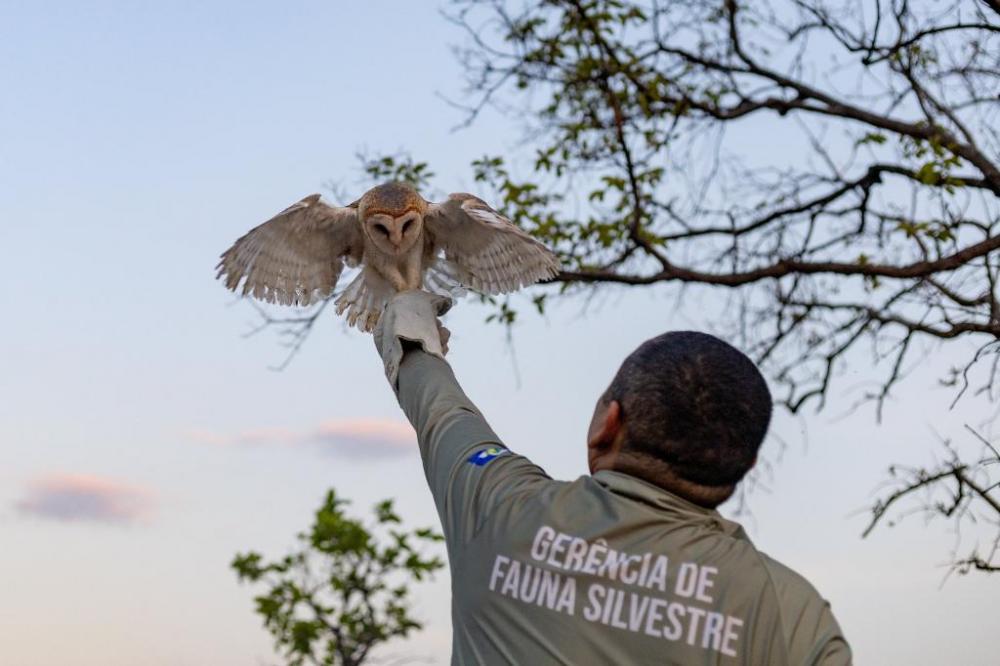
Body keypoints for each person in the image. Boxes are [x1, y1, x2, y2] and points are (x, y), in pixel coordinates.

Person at [373, 290, 852, 665]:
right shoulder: (796, 617)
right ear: (743, 467)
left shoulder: (498, 505)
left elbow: (441, 409)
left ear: (609, 423)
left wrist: (408, 315)